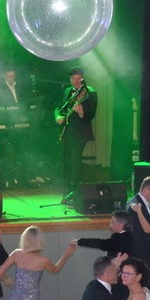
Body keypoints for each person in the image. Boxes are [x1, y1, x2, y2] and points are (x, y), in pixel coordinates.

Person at [54, 67, 96, 201]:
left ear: (83, 79)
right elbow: (59, 107)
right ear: (70, 79)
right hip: (67, 132)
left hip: (80, 133)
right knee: (66, 161)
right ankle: (66, 191)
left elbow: (92, 113)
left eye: (79, 79)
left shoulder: (90, 92)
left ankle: (75, 192)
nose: (76, 81)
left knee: (75, 161)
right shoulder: (67, 91)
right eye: (74, 79)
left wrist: (81, 111)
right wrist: (57, 116)